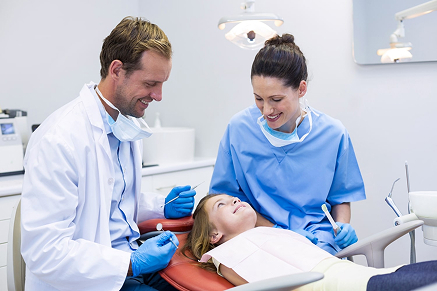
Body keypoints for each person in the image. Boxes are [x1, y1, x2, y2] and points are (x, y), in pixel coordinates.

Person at [21, 16, 196, 291]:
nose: (159, 95)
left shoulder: (126, 125)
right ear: (117, 70)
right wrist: (131, 263)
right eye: (151, 83)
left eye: (162, 83)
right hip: (91, 279)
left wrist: (161, 206)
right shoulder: (59, 139)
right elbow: (45, 252)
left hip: (129, 265)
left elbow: (111, 200)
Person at [209, 33, 366, 255]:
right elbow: (222, 199)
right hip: (256, 236)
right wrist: (277, 233)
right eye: (258, 99)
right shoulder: (239, 130)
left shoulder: (333, 134)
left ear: (301, 89)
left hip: (316, 240)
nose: (266, 111)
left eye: (276, 100)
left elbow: (340, 197)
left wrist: (342, 227)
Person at [183, 194, 437, 291]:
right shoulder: (227, 255)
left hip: (367, 275)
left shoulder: (266, 234)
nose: (235, 201)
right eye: (222, 205)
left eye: (234, 199)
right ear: (214, 236)